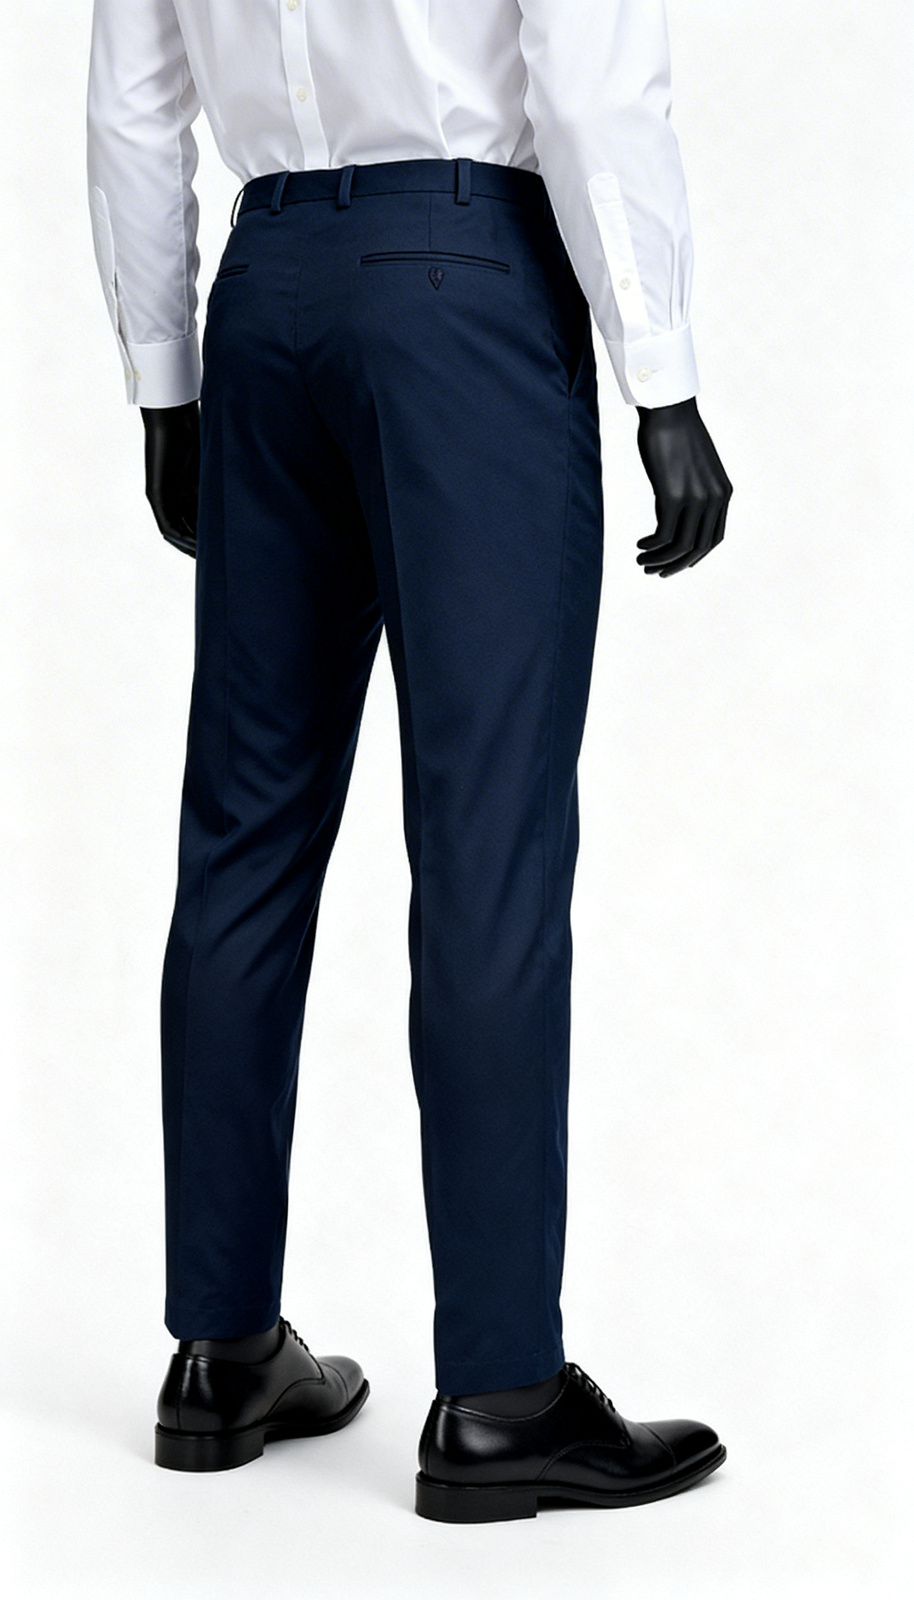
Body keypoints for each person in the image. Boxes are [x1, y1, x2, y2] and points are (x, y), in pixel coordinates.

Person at [86, 0, 733, 1524]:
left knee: (242, 830)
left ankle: (220, 1352)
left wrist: (164, 381)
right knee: (484, 839)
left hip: (264, 300)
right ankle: (502, 1394)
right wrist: (662, 375)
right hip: (464, 290)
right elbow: (586, 82)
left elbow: (131, 105)